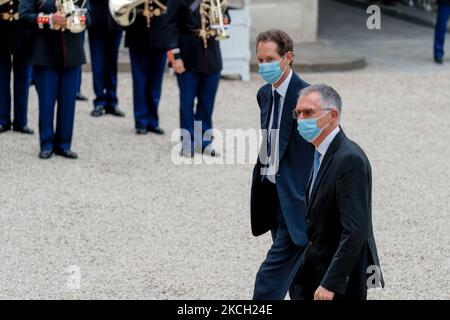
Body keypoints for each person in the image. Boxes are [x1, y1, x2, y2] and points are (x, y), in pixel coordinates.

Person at [292, 84, 384, 300]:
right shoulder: (317, 153)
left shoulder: (349, 159)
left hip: (335, 286)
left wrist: (330, 283)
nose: (301, 119)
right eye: (298, 113)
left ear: (332, 115)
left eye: (308, 113)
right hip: (311, 275)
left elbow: (355, 230)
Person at [251, 29, 314, 300]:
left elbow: (329, 148)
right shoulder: (264, 94)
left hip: (299, 202)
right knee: (298, 279)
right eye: (260, 60)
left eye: (270, 59)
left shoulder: (309, 99)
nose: (264, 66)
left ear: (288, 57)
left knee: (269, 277)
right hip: (274, 197)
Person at [19, 0, 89, 159]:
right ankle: (47, 144)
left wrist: (74, 19)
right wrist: (50, 19)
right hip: (45, 53)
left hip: (71, 54)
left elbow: (88, 16)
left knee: (68, 103)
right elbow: (24, 15)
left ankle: (64, 145)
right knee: (46, 102)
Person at [165, 0, 230, 156]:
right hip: (187, 55)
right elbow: (170, 26)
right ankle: (188, 142)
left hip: (212, 56)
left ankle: (204, 142)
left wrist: (224, 19)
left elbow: (226, 15)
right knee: (187, 102)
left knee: (207, 102)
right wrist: (175, 56)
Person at [125, 0, 167, 135]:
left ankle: (153, 121)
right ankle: (141, 121)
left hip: (160, 33)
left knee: (156, 82)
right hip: (137, 32)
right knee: (139, 81)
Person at [0, 0, 34, 135]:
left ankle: (21, 121)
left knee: (23, 78)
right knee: (1, 78)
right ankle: (3, 120)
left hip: (23, 28)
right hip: (2, 28)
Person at [88, 0, 124, 117]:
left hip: (116, 20)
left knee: (112, 64)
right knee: (98, 64)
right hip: (97, 20)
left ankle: (112, 100)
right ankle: (99, 101)